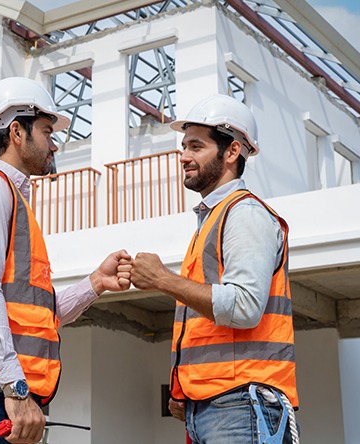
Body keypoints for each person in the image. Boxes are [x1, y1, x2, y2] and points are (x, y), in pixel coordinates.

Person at [0, 77, 131, 444]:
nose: (54, 144)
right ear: (17, 132)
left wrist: (95, 284)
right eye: (47, 131)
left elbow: (36, 314)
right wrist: (16, 391)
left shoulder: (9, 197)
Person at [119, 94, 299, 443]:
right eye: (184, 147)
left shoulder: (244, 214)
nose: (184, 156)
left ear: (231, 151)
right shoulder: (212, 220)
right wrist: (186, 386)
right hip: (212, 405)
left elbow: (245, 307)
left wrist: (162, 279)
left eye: (196, 147)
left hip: (241, 403)